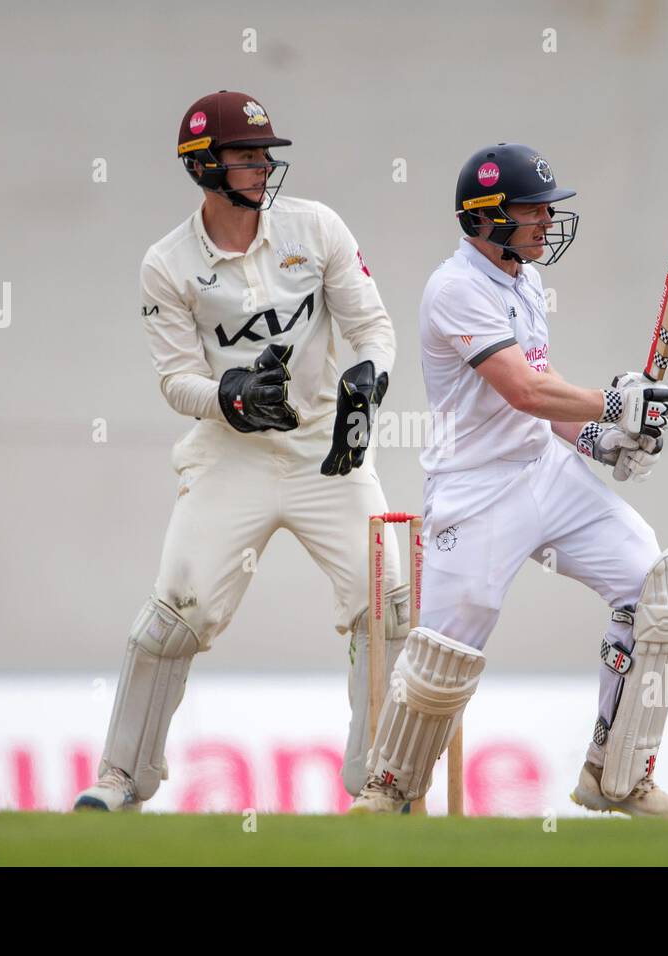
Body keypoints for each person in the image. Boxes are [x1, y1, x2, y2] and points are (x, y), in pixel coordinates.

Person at [75, 90, 408, 811]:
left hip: (328, 451)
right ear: (203, 165)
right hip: (232, 455)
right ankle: (121, 779)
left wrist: (368, 381)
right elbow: (175, 381)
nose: (263, 166)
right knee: (175, 614)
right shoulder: (166, 264)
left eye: (265, 154)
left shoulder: (314, 227)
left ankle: (381, 783)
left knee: (386, 601)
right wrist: (228, 395)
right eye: (246, 155)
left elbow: (375, 329)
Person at [350, 143, 668, 818]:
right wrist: (613, 403)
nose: (546, 219)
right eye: (532, 209)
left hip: (546, 470)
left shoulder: (525, 280)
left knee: (654, 587)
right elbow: (523, 391)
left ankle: (617, 774)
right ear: (485, 218)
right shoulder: (454, 288)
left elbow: (545, 392)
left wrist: (598, 439)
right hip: (476, 490)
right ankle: (389, 786)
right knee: (447, 653)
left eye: (548, 208)